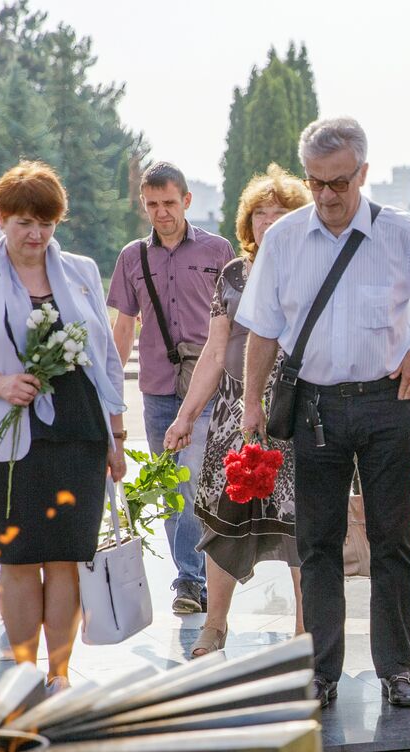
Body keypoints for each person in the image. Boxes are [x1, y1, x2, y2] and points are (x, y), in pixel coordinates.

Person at [237, 116, 410, 710]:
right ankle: (322, 672)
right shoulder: (285, 238)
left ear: (363, 173)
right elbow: (261, 330)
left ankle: (395, 669)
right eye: (316, 182)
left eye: (339, 182)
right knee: (318, 544)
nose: (327, 196)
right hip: (313, 407)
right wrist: (250, 405)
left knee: (392, 541)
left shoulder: (397, 234)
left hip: (387, 404)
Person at [0, 160, 127, 693]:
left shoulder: (82, 272)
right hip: (4, 436)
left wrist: (116, 434)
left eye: (47, 223)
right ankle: (22, 672)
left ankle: (59, 676)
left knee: (65, 556)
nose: (36, 235)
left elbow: (104, 357)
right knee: (16, 558)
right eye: (24, 223)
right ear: (0, 217)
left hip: (78, 432)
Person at [163, 165, 312, 657]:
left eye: (280, 213)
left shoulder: (313, 268)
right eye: (260, 213)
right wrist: (186, 415)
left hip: (296, 408)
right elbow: (213, 349)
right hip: (232, 409)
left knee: (303, 522)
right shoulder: (232, 275)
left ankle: (304, 634)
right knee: (223, 519)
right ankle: (216, 626)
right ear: (247, 223)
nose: (269, 222)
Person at [109, 162, 235, 614]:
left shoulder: (219, 250)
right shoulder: (131, 258)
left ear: (186, 200)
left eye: (169, 202)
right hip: (157, 386)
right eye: (152, 204)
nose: (161, 213)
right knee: (168, 483)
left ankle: (188, 577)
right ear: (143, 205)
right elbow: (124, 326)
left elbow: (236, 323)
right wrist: (109, 387)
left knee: (194, 477)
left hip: (205, 385)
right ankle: (191, 576)